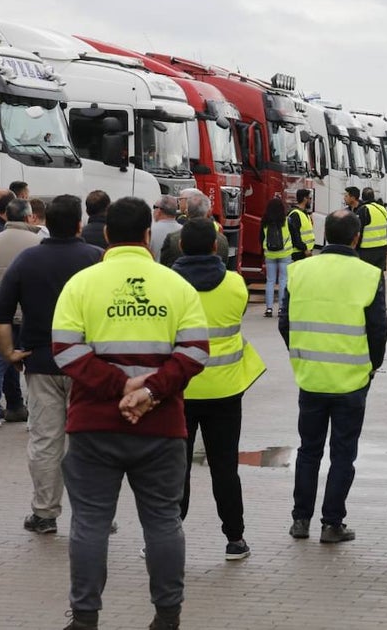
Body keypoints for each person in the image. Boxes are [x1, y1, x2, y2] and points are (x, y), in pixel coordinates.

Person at [52, 196, 209, 630]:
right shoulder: (176, 286)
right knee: (162, 523)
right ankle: (167, 616)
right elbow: (196, 351)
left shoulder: (81, 285)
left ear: (105, 234)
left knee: (89, 524)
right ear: (147, 235)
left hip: (92, 427)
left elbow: (65, 351)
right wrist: (150, 391)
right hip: (161, 428)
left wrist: (118, 387)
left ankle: (85, 618)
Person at [0, 195, 102, 535]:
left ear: (42, 222)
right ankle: (97, 513)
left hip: (41, 363)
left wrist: (10, 353)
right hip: (88, 366)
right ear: (79, 225)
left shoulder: (28, 259)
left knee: (45, 440)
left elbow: (0, 311)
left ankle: (44, 513)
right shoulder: (96, 260)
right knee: (90, 442)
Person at [279, 210, 386, 545]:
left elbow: (285, 322)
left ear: (325, 233)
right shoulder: (369, 274)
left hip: (310, 376)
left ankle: (300, 520)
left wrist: (300, 353)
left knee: (308, 450)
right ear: (357, 238)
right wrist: (372, 366)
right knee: (343, 453)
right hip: (352, 379)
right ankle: (332, 523)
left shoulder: (298, 270)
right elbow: (377, 330)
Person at [171, 219, 267, 561]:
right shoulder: (236, 284)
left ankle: (167, 534)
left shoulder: (168, 285)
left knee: (174, 466)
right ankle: (235, 538)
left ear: (181, 246)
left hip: (177, 389)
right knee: (225, 467)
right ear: (216, 247)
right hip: (226, 389)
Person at [0, 199, 45, 428]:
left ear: (6, 216)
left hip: (1, 313)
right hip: (30, 313)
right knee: (33, 363)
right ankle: (33, 412)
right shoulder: (38, 241)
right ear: (28, 217)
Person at [160, 193, 228, 266]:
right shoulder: (222, 240)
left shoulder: (172, 239)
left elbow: (164, 266)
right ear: (209, 212)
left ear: (187, 212)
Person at [261, 198, 291, 318]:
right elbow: (292, 235)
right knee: (283, 280)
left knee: (270, 281)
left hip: (270, 254)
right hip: (285, 254)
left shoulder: (265, 222)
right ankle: (281, 308)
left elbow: (260, 238)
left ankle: (269, 308)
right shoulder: (287, 220)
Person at [355, 188, 387, 271]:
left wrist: (356, 248)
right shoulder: (382, 209)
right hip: (382, 249)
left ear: (362, 197)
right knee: (379, 276)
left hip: (366, 250)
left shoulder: (363, 210)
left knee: (365, 276)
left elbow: (358, 231)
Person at [287, 189, 315, 262]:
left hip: (305, 252)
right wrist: (305, 249)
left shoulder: (304, 213)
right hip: (299, 253)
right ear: (305, 199)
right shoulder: (295, 214)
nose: (311, 201)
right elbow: (295, 235)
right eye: (310, 198)